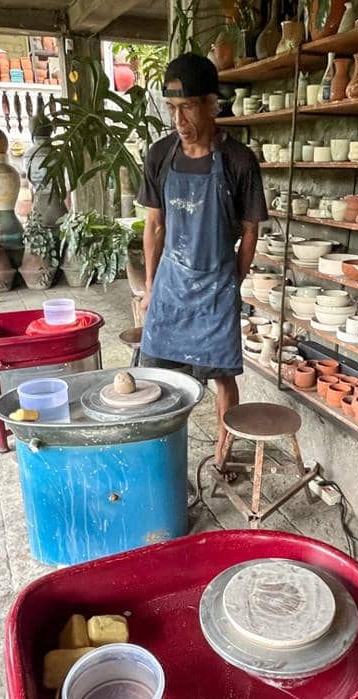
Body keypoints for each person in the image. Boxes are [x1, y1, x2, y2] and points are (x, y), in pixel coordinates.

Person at [138, 53, 267, 467]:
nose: (179, 118)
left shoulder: (238, 161)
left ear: (213, 104)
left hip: (215, 290)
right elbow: (154, 226)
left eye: (188, 106)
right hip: (170, 289)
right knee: (154, 376)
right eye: (172, 108)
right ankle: (156, 462)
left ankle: (221, 459)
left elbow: (250, 231)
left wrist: (234, 282)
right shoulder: (160, 155)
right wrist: (151, 288)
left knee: (223, 378)